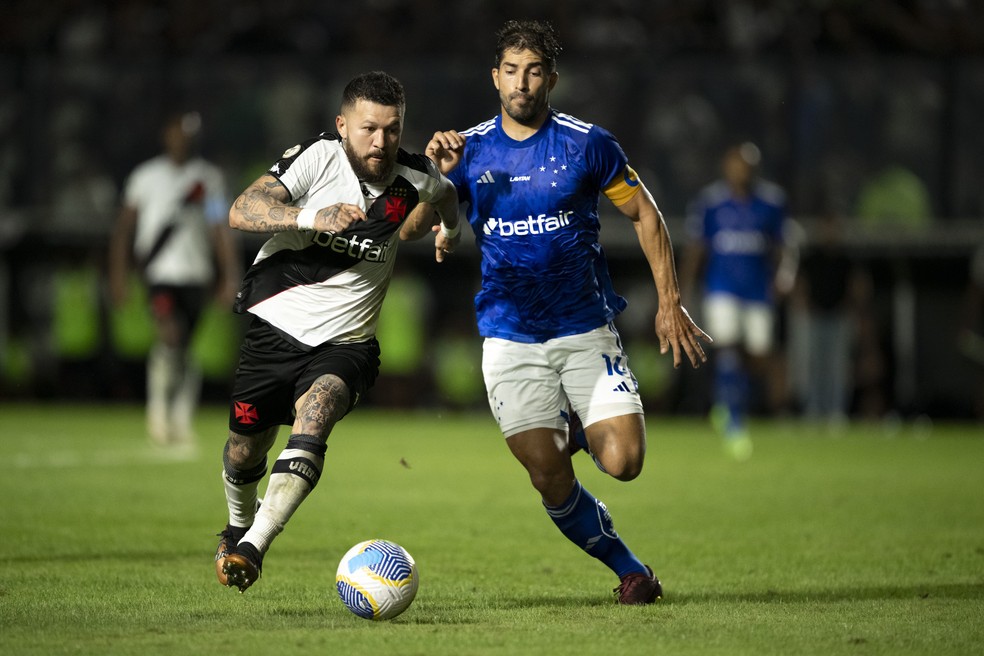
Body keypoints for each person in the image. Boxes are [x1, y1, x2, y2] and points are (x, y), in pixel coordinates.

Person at [425, 20, 709, 605]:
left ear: (551, 78)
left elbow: (646, 215)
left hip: (585, 330)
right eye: (510, 70)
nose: (521, 83)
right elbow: (409, 228)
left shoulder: (586, 144)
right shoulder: (468, 150)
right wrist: (436, 179)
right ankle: (631, 570)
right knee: (550, 478)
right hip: (509, 338)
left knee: (624, 463)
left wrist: (669, 303)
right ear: (494, 76)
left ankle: (577, 426)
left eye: (533, 71)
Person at [214, 71, 458, 593]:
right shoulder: (316, 157)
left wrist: (451, 230)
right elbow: (241, 210)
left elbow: (444, 194)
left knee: (317, 413)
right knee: (242, 450)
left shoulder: (412, 176)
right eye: (369, 128)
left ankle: (254, 547)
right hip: (275, 328)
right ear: (342, 124)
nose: (381, 142)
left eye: (393, 130)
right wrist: (310, 216)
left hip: (347, 344)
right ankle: (237, 525)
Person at [108, 111, 239, 448]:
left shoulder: (208, 179)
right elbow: (125, 228)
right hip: (159, 274)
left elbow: (218, 228)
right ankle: (158, 414)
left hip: (196, 274)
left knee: (185, 349)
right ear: (166, 134)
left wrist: (229, 274)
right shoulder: (145, 177)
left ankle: (180, 418)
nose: (183, 138)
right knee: (170, 336)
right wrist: (119, 274)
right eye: (178, 131)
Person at [680, 142, 796, 460]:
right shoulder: (712, 203)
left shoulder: (771, 203)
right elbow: (697, 248)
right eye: (737, 164)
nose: (742, 170)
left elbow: (786, 245)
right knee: (728, 345)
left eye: (748, 165)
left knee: (757, 354)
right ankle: (731, 415)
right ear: (726, 166)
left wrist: (784, 277)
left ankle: (728, 400)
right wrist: (682, 291)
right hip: (722, 289)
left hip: (758, 291)